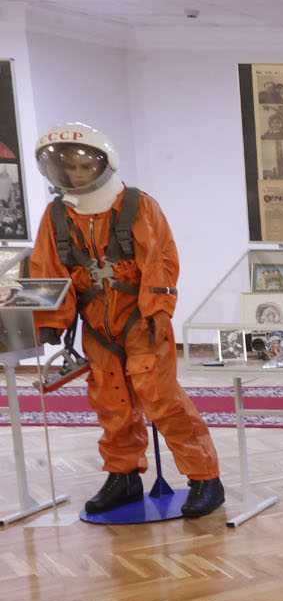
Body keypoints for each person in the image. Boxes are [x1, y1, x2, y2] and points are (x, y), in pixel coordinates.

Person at [29, 123, 225, 517]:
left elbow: (161, 260)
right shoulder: (56, 216)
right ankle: (124, 476)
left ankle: (206, 478)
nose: (78, 175)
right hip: (96, 325)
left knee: (162, 400)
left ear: (104, 164)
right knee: (111, 402)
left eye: (85, 167)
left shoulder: (137, 205)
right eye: (70, 168)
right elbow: (47, 267)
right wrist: (51, 319)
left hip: (141, 320)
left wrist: (157, 312)